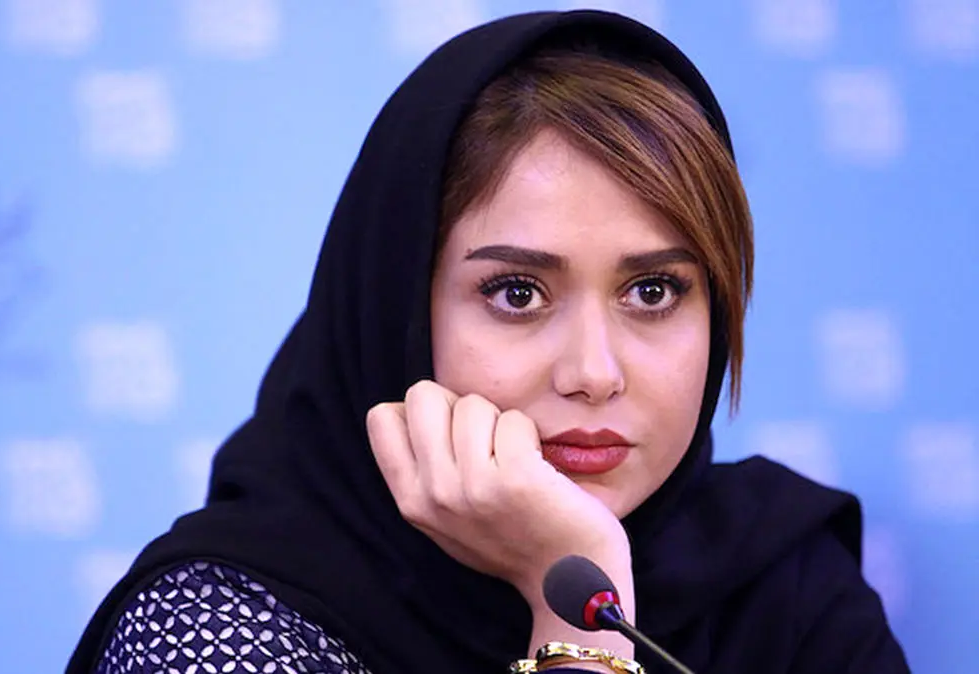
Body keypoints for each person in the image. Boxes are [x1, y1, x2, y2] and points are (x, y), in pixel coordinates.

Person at [66, 10, 910, 674]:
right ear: (397, 307)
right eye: (517, 293)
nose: (593, 373)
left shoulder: (783, 593)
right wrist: (578, 603)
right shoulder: (217, 630)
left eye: (653, 291)